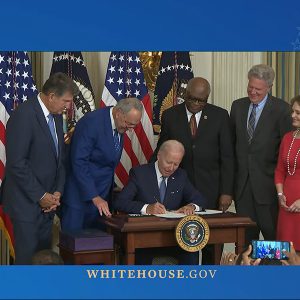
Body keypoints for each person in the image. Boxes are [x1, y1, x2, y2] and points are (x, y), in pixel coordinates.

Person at [151, 77, 234, 264]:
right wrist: (146, 177)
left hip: (211, 189)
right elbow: (161, 150)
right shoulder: (170, 115)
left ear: (207, 98)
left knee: (211, 244)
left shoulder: (220, 116)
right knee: (182, 240)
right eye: (192, 98)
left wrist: (227, 192)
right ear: (184, 94)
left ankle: (209, 286)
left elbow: (228, 157)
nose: (196, 104)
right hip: (178, 189)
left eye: (201, 100)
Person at [1, 72, 78, 264]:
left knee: (44, 261)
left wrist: (57, 193)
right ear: (51, 96)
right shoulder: (24, 115)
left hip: (48, 205)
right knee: (27, 262)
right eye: (66, 101)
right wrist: (41, 196)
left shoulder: (57, 117)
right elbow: (17, 163)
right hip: (25, 205)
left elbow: (60, 159)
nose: (69, 107)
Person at [114, 140, 207, 264]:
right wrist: (147, 208)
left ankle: (189, 284)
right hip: (144, 239)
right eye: (168, 162)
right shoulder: (140, 173)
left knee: (192, 250)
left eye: (176, 164)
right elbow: (120, 202)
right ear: (159, 156)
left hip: (173, 238)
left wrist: (191, 206)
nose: (171, 168)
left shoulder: (181, 175)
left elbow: (200, 199)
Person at [230, 64, 292, 246]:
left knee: (273, 242)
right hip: (242, 189)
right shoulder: (238, 106)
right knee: (244, 243)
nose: (253, 92)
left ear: (269, 87)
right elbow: (232, 146)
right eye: (250, 87)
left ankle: (269, 273)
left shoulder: (282, 110)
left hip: (269, 189)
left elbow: (286, 152)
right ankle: (248, 274)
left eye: (258, 89)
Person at [61, 97, 143, 231]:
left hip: (102, 198)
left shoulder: (119, 124)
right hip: (79, 197)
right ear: (118, 114)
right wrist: (94, 196)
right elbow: (79, 161)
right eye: (129, 124)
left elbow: (105, 162)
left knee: (98, 245)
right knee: (74, 245)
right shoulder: (92, 123)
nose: (131, 129)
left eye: (134, 125)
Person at [275, 95, 300, 251]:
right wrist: (280, 194)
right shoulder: (287, 138)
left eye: (298, 112)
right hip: (286, 205)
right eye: (293, 111)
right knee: (284, 252)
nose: (292, 115)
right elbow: (280, 170)